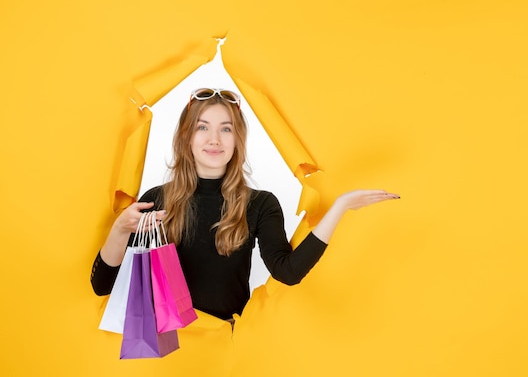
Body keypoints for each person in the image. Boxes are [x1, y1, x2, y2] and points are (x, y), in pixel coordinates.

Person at [90, 88, 400, 323]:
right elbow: (102, 286)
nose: (215, 138)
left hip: (226, 351)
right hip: (167, 355)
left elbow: (288, 273)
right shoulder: (157, 199)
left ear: (238, 139)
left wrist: (340, 207)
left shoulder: (260, 204)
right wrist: (119, 230)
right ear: (186, 138)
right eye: (202, 127)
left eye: (226, 128)